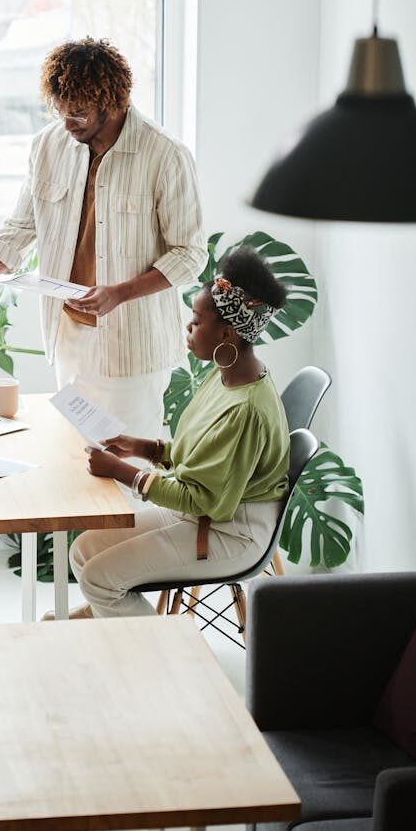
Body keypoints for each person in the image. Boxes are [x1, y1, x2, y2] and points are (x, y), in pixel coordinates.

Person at [0, 37, 206, 438]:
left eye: (80, 114)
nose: (68, 124)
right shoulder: (49, 145)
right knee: (76, 462)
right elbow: (20, 229)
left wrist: (118, 293)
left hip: (132, 347)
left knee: (123, 473)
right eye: (61, 112)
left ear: (114, 101)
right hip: (69, 336)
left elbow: (189, 255)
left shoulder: (165, 155)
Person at [67, 247, 290, 619]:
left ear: (227, 333)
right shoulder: (227, 374)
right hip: (207, 513)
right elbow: (205, 455)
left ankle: (163, 664)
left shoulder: (246, 408)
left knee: (100, 579)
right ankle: (114, 636)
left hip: (232, 532)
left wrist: (124, 472)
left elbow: (205, 499)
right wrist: (144, 447)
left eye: (196, 321)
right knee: (84, 550)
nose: (188, 328)